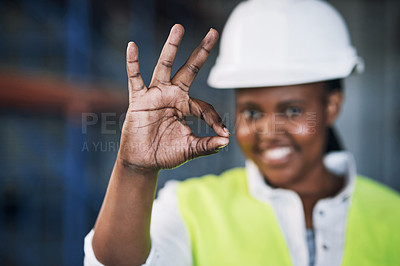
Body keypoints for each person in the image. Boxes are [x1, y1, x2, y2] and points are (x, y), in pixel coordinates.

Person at [84, 0, 400, 265]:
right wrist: (134, 169)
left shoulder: (393, 215)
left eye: (292, 111)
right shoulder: (191, 207)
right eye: (251, 112)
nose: (268, 130)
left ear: (332, 106)